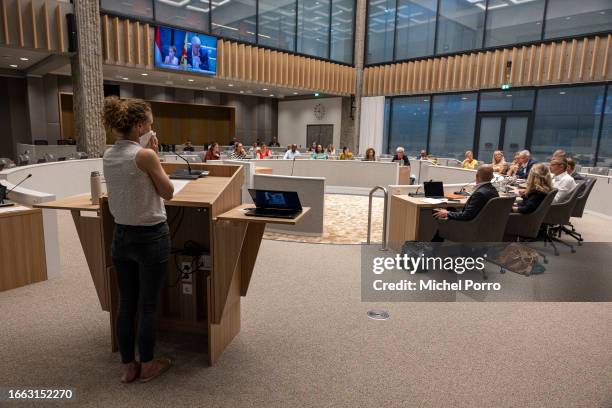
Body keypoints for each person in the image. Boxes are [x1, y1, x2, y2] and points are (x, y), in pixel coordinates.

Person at [102, 96, 173, 383]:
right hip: (150, 237)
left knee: (126, 303)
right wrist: (153, 153)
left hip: (122, 236)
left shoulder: (109, 154)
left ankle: (128, 366)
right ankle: (147, 365)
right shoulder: (145, 155)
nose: (152, 130)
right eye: (151, 125)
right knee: (148, 305)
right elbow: (167, 191)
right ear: (139, 125)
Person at [433, 165, 499, 222]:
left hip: (470, 228)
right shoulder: (494, 190)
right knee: (451, 209)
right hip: (486, 226)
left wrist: (447, 213)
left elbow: (466, 216)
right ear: (492, 177)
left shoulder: (479, 194)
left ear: (477, 176)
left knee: (442, 214)